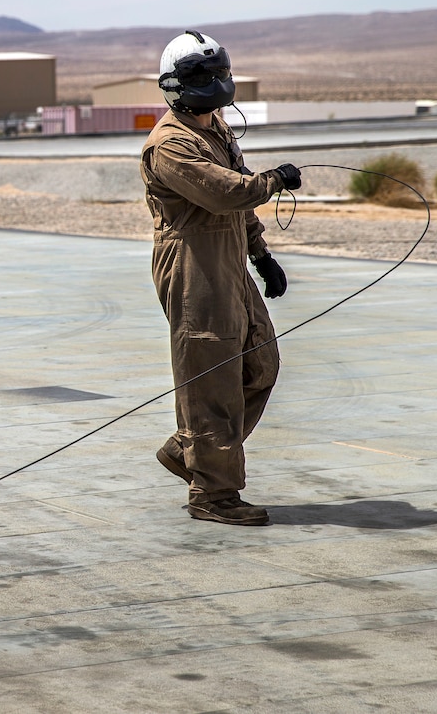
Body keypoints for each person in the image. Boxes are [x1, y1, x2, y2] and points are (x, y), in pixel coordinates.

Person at [139, 30, 302, 525]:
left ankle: (190, 453)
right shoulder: (170, 144)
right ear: (175, 85)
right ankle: (213, 494)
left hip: (228, 261)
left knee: (259, 366)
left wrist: (260, 254)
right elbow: (226, 193)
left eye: (218, 71)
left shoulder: (217, 128)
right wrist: (273, 180)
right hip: (194, 267)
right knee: (210, 381)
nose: (214, 83)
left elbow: (238, 207)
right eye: (201, 76)